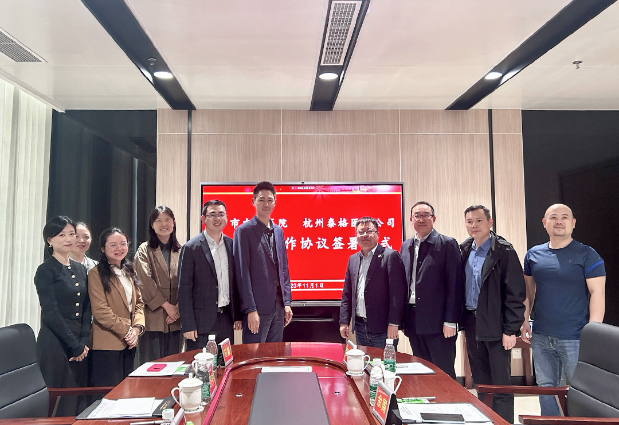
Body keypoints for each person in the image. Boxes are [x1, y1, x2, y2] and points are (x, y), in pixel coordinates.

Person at [521, 204, 606, 415]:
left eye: (564, 217)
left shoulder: (587, 254)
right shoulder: (533, 255)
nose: (559, 221)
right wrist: (524, 321)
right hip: (541, 335)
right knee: (546, 388)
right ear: (544, 223)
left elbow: (597, 293)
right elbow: (528, 292)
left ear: (573, 223)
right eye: (553, 217)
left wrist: (593, 332)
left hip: (575, 336)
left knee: (584, 391)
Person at [459, 205, 526, 423]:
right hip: (472, 323)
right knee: (482, 383)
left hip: (497, 325)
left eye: (479, 220)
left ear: (490, 222)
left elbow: (515, 293)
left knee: (501, 385)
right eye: (470, 221)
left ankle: (503, 421)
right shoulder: (464, 249)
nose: (474, 225)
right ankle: (487, 420)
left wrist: (511, 330)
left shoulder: (503, 251)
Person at [34, 216, 91, 415]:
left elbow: (86, 308)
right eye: (62, 235)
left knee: (75, 398)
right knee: (56, 400)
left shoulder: (80, 268)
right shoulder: (45, 270)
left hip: (80, 342)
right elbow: (51, 312)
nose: (69, 239)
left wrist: (83, 340)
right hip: (55, 341)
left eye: (71, 234)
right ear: (49, 240)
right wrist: (74, 345)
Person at [400, 201, 462, 380]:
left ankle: (449, 399)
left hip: (439, 323)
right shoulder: (406, 246)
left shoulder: (447, 244)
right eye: (417, 216)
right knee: (421, 371)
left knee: (443, 372)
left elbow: (455, 284)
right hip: (413, 320)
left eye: (425, 215)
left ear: (433, 218)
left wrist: (451, 320)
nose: (421, 219)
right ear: (411, 219)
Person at [234, 181, 293, 343]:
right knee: (254, 354)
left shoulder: (278, 231)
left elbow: (283, 269)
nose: (266, 204)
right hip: (257, 310)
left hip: (278, 307)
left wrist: (287, 302)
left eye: (269, 200)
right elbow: (242, 273)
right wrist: (250, 309)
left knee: (275, 355)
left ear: (275, 202)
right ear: (253, 201)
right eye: (261, 200)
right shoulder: (243, 231)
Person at [179, 200, 242, 350]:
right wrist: (188, 324)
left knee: (224, 361)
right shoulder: (191, 248)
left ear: (226, 218)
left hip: (226, 319)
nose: (217, 218)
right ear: (203, 219)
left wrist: (237, 316)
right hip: (200, 323)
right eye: (212, 214)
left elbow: (235, 284)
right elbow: (184, 289)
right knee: (200, 363)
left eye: (221, 214)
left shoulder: (232, 245)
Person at [88, 227, 145, 387]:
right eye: (113, 245)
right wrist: (127, 330)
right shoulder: (95, 273)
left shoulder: (129, 270)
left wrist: (136, 329)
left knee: (127, 389)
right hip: (107, 343)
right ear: (102, 248)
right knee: (108, 392)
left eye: (123, 243)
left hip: (130, 342)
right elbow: (101, 311)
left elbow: (139, 304)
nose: (119, 248)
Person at [339, 217, 407, 348]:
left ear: (377, 234)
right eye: (361, 232)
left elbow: (397, 294)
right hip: (360, 327)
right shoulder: (353, 259)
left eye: (369, 231)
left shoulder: (390, 256)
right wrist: (344, 322)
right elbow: (347, 294)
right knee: (365, 360)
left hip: (383, 328)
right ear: (356, 235)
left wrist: (394, 323)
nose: (365, 235)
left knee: (385, 361)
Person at [134, 206, 182, 363]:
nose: (164, 224)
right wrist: (167, 306)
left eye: (167, 220)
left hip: (176, 320)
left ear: (173, 223)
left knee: (175, 365)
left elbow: (188, 281)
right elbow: (144, 281)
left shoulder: (181, 250)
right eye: (159, 220)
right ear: (152, 225)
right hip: (153, 319)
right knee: (153, 367)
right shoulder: (144, 250)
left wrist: (178, 307)